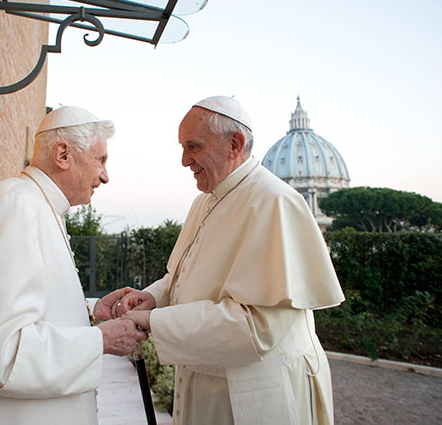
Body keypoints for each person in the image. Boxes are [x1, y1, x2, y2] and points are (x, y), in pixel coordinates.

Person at [113, 96, 345, 424]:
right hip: (207, 385)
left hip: (253, 393)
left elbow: (258, 327)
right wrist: (153, 297)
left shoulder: (274, 202)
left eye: (193, 147)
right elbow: (184, 275)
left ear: (234, 144)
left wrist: (155, 322)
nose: (184, 160)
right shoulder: (205, 201)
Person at [0, 106, 147, 425]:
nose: (105, 176)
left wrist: (91, 316)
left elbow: (31, 313)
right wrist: (101, 339)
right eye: (100, 160)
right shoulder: (17, 206)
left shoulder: (36, 206)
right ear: (63, 153)